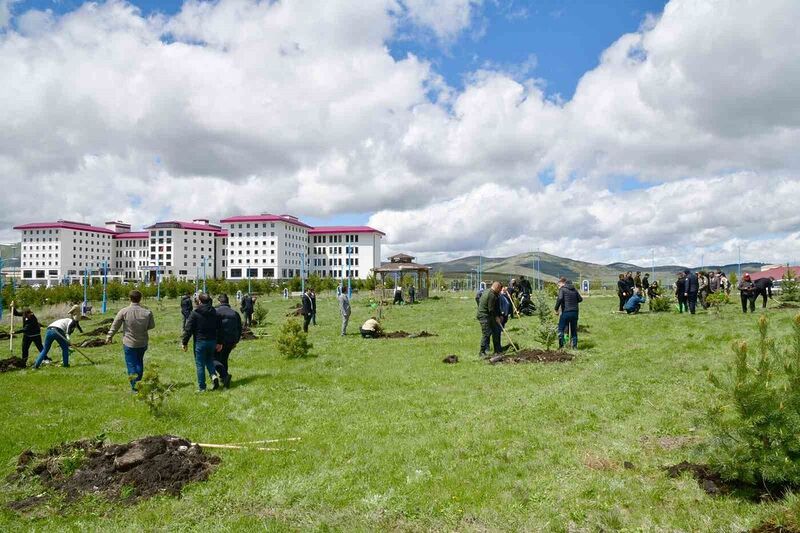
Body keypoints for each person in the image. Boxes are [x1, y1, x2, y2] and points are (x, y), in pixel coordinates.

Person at [106, 290, 155, 392]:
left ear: (130, 298)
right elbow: (152, 326)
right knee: (139, 362)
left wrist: (109, 336)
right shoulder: (147, 312)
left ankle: (135, 387)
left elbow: (115, 325)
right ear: (140, 299)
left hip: (129, 343)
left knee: (131, 364)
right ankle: (138, 382)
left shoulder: (124, 311)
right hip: (142, 342)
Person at [181, 293, 223, 392]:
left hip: (200, 342)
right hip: (212, 341)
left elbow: (188, 329)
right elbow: (220, 328)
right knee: (209, 360)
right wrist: (220, 342)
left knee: (200, 364)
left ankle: (202, 388)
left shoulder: (195, 313)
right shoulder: (215, 312)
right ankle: (213, 375)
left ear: (199, 301)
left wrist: (184, 342)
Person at [214, 294, 241, 389]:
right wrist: (236, 341)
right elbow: (239, 328)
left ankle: (224, 376)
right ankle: (223, 377)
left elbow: (215, 328)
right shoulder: (235, 313)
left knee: (214, 359)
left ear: (219, 302)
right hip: (231, 341)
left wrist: (216, 341)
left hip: (220, 341)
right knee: (224, 358)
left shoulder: (216, 312)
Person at [555, 277, 582, 348]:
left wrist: (556, 309)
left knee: (561, 329)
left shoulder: (562, 289)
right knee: (574, 331)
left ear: (564, 284)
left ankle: (561, 346)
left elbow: (560, 298)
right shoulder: (574, 290)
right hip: (575, 312)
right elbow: (580, 299)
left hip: (566, 312)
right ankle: (575, 347)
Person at [477, 281, 502, 357]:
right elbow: (491, 309)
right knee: (486, 333)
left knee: (496, 330)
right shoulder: (491, 295)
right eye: (499, 289)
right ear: (497, 287)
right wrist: (496, 317)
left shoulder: (489, 291)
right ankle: (482, 352)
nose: (500, 291)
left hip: (488, 315)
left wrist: (498, 315)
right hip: (484, 315)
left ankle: (497, 350)